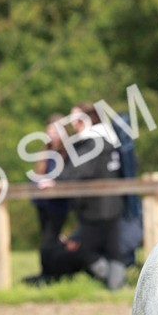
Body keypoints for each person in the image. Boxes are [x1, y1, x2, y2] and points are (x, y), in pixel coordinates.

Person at [39, 104, 127, 290]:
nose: (73, 124)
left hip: (96, 209)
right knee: (113, 251)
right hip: (113, 205)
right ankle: (116, 288)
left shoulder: (93, 142)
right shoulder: (108, 140)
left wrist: (56, 180)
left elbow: (79, 169)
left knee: (83, 250)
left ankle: (115, 286)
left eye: (76, 120)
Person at [22, 113, 70, 287]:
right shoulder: (47, 154)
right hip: (43, 204)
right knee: (48, 240)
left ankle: (48, 275)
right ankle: (49, 273)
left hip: (58, 205)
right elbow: (37, 175)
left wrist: (54, 183)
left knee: (49, 241)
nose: (52, 133)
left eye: (56, 129)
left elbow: (67, 177)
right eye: (50, 129)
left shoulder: (68, 154)